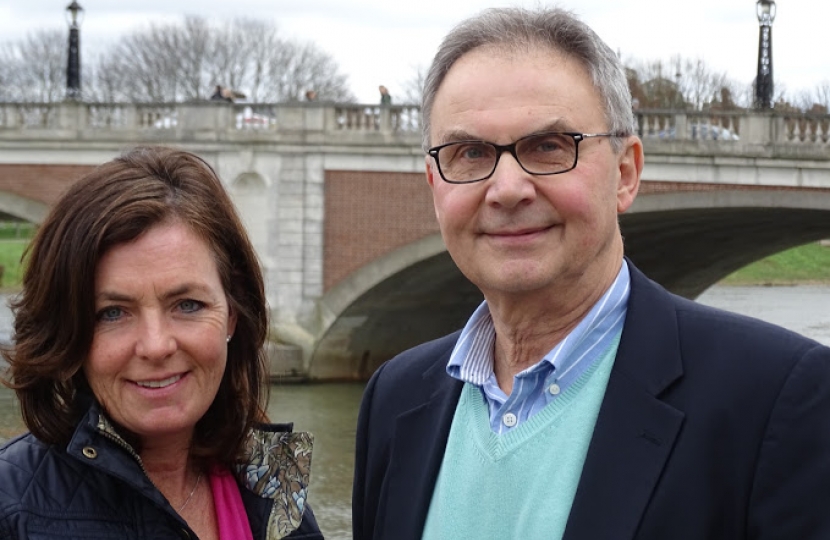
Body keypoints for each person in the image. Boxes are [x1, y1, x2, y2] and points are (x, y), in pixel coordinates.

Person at [352, 7, 830, 540]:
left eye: (549, 147)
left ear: (625, 173)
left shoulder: (779, 399)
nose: (508, 189)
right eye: (470, 153)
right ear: (434, 185)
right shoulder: (394, 398)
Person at [0, 146, 323, 539]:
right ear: (68, 333)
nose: (155, 346)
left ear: (233, 315)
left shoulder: (274, 489)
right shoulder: (12, 507)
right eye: (113, 313)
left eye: (187, 304)